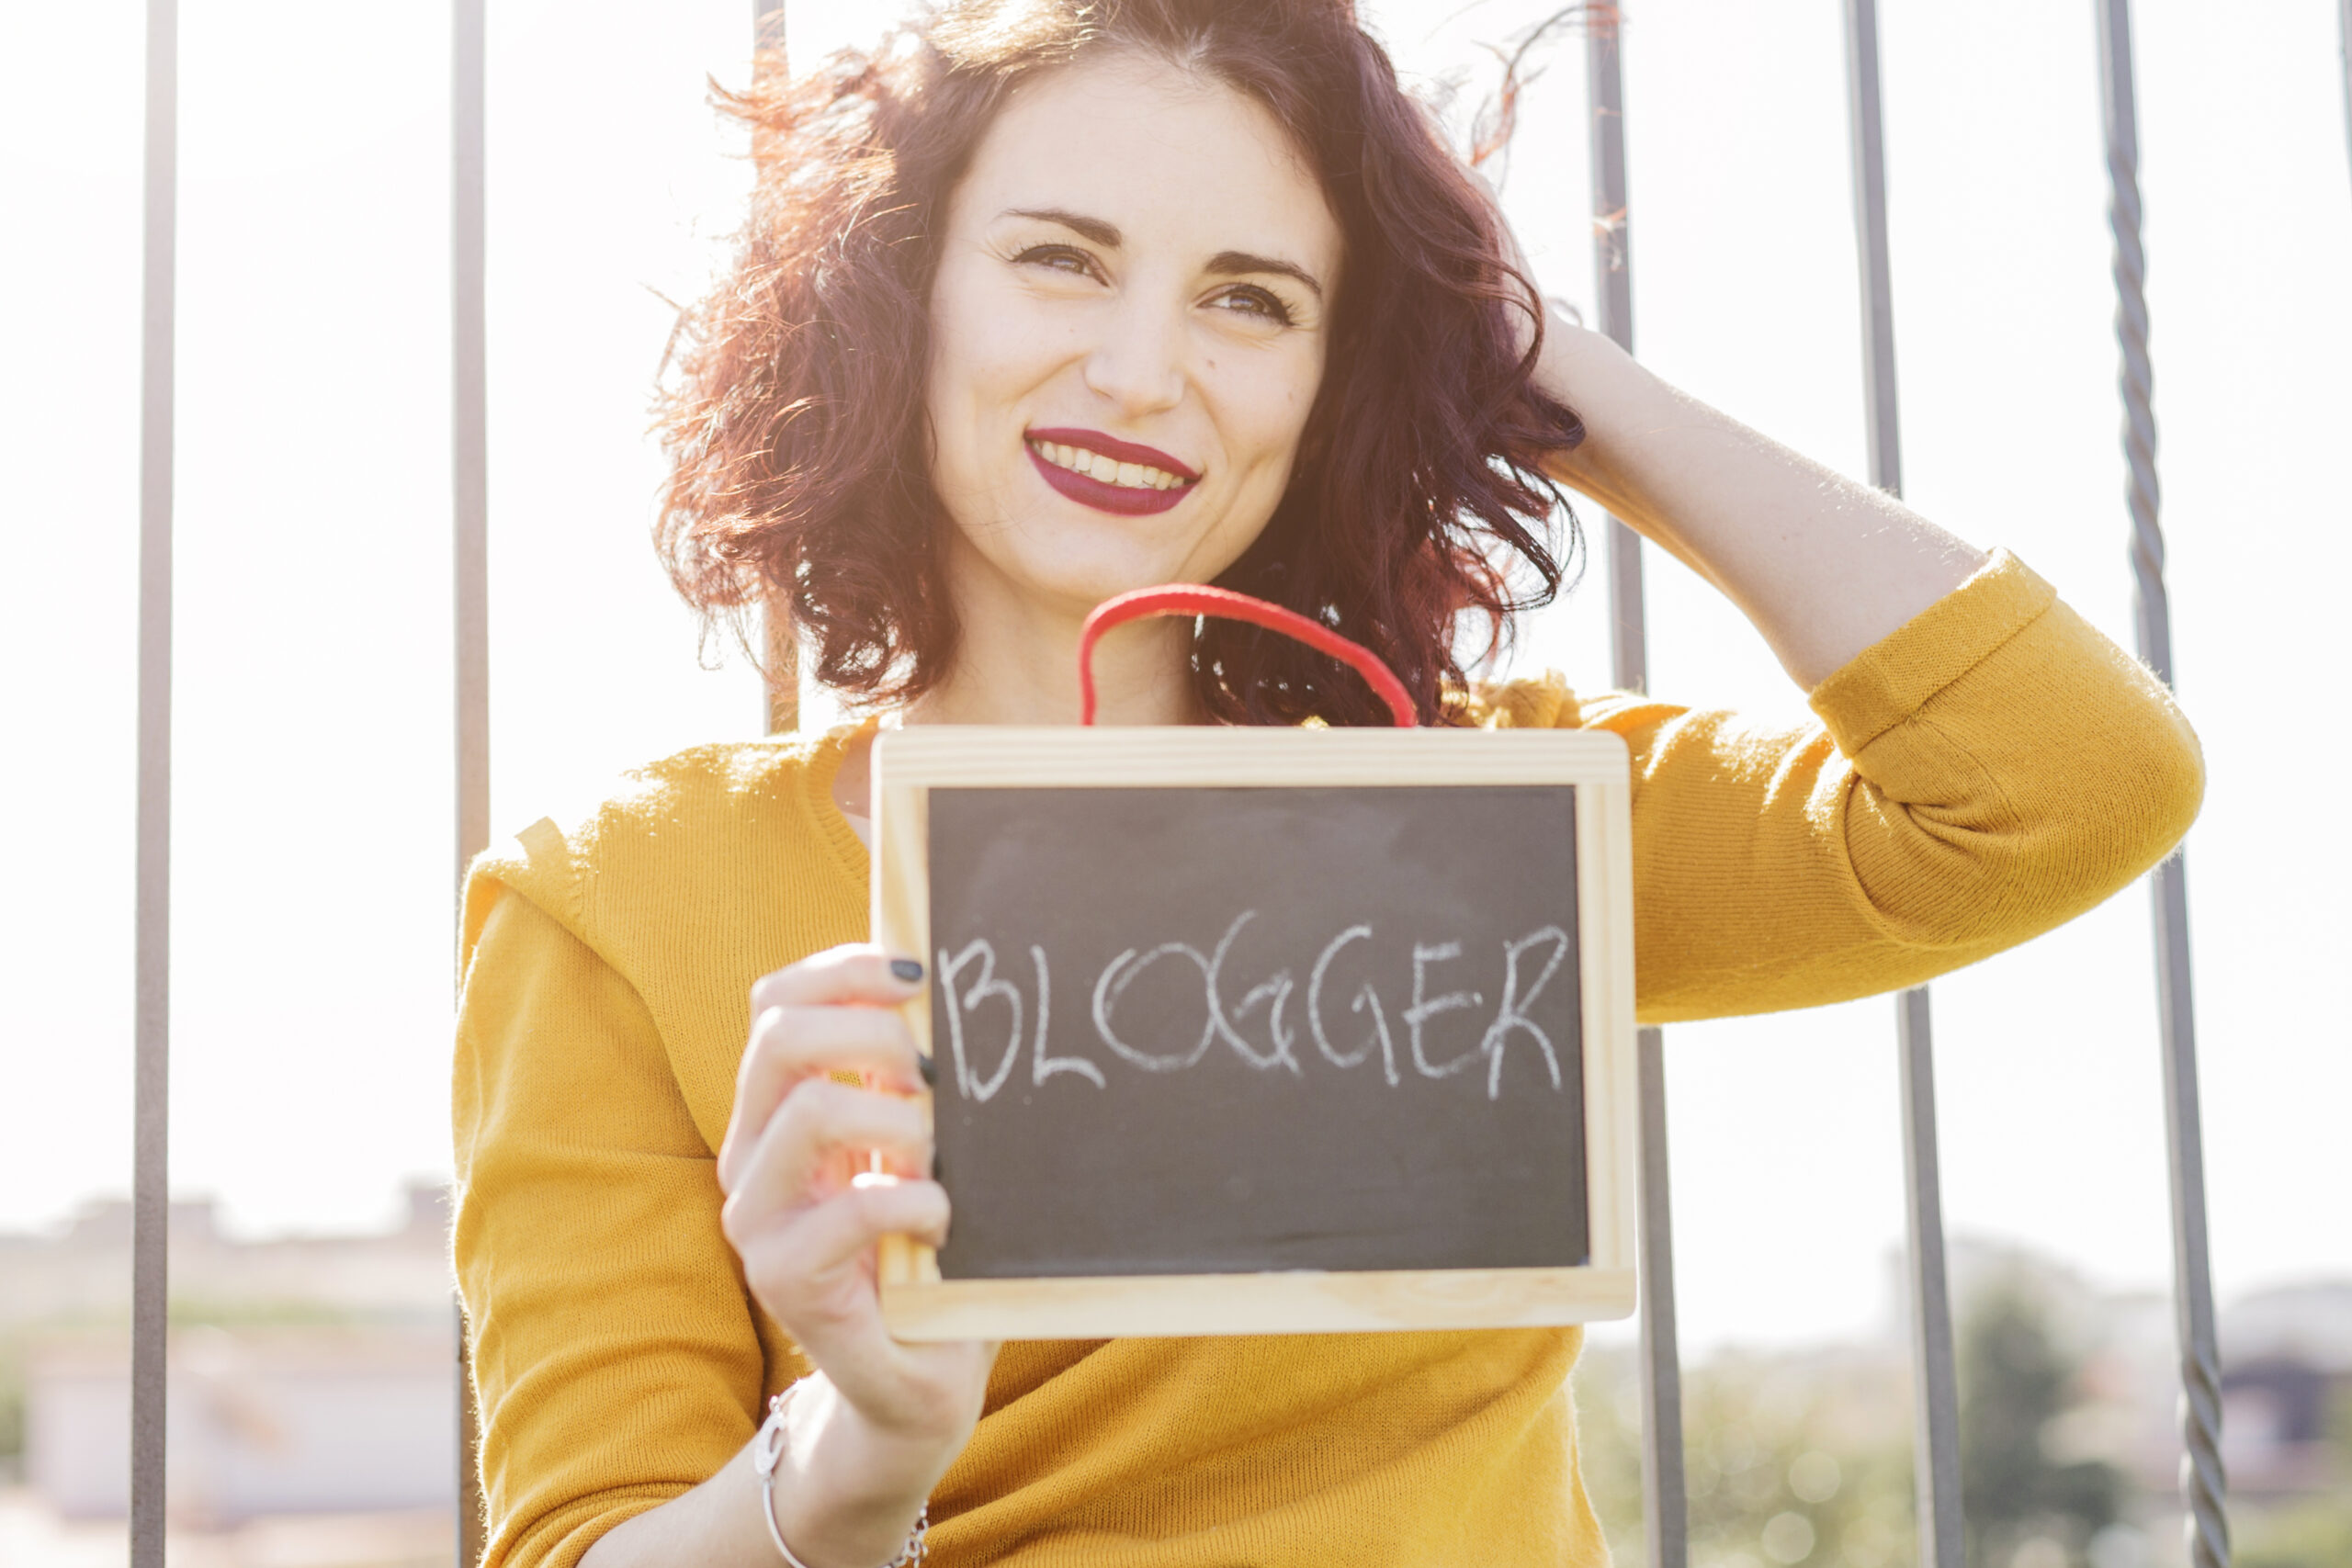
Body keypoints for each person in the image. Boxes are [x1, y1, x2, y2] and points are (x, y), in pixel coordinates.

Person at [449, 1, 2203, 1564]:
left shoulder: (1488, 815)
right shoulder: (615, 900)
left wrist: (1520, 349)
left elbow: (2072, 782)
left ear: (1330, 376)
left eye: (1252, 299)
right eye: (1061, 258)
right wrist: (858, 1455)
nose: (1145, 372)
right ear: (892, 296)